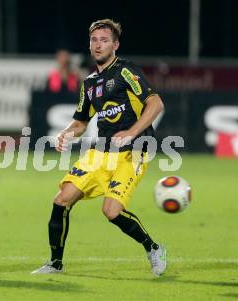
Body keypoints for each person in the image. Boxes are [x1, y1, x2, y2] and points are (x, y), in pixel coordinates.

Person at [32, 19, 166, 276]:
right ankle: (55, 264)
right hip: (100, 152)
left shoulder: (127, 71)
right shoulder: (89, 84)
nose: (98, 44)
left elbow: (155, 104)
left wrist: (131, 131)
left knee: (111, 211)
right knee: (61, 200)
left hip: (134, 151)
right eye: (94, 40)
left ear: (115, 45)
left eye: (104, 40)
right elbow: (82, 122)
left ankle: (153, 248)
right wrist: (66, 132)